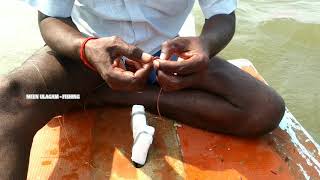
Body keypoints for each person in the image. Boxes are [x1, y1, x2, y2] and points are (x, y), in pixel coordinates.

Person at [0, 0, 285, 179]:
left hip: (168, 56)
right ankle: (96, 91)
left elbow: (222, 15)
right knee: (9, 100)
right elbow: (51, 18)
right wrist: (85, 48)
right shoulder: (89, 51)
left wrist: (205, 45)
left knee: (263, 109)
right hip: (92, 57)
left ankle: (106, 96)